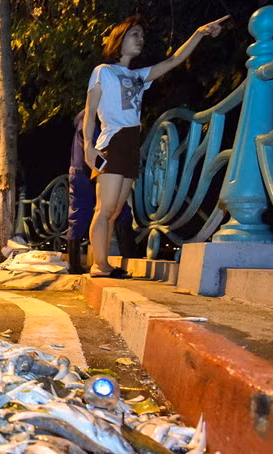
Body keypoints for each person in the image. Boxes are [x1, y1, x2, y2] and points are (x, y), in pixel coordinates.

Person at [84, 14, 227, 278]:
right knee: (104, 209)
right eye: (134, 34)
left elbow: (174, 61)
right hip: (112, 142)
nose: (140, 39)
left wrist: (199, 32)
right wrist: (87, 146)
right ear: (120, 39)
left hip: (130, 143)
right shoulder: (103, 71)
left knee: (115, 211)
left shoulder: (138, 76)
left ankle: (102, 262)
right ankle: (99, 266)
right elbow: (90, 110)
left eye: (141, 35)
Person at [67, 109, 134, 274]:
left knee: (79, 214)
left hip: (80, 170)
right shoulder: (97, 117)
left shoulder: (87, 117)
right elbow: (97, 148)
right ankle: (128, 254)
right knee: (115, 210)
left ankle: (75, 264)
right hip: (89, 171)